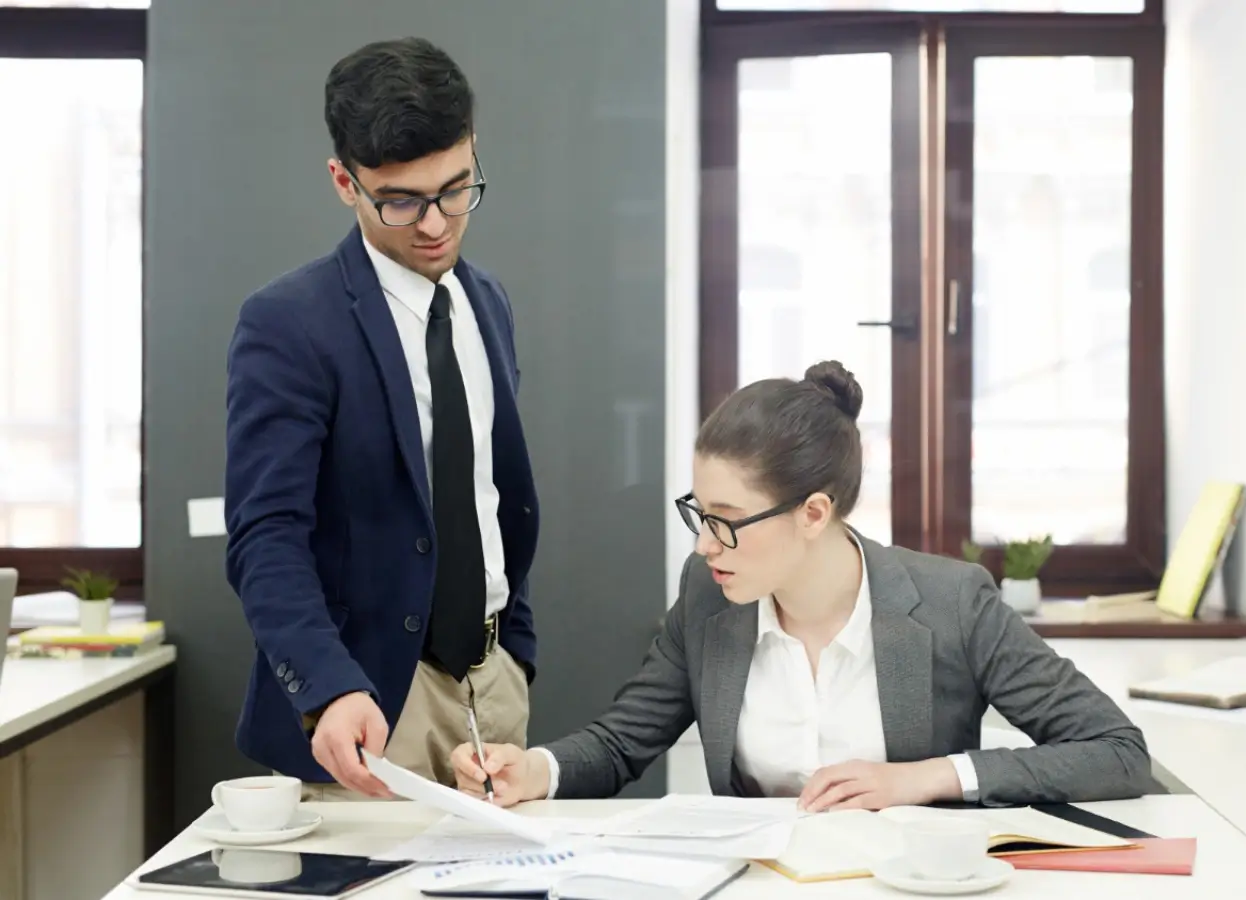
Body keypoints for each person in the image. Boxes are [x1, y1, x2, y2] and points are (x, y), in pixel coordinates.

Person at [450, 361, 1151, 811]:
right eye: (699, 513)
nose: (703, 545)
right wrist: (534, 769)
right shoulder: (709, 595)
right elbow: (620, 743)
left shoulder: (953, 601)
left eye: (726, 521)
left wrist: (929, 776)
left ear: (814, 513)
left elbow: (1116, 752)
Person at [224, 36, 539, 800]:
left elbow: (488, 496)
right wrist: (327, 687)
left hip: (493, 689)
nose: (435, 224)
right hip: (363, 707)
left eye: (456, 188)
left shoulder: (486, 301)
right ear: (344, 181)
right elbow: (266, 534)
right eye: (400, 200)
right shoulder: (288, 322)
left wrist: (516, 652)